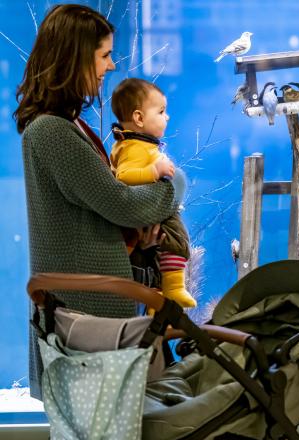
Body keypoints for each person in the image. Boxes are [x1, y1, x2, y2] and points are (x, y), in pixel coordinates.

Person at [14, 4, 180, 399]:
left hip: (89, 315)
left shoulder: (64, 125)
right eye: (103, 55)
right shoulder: (53, 131)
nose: (110, 65)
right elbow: (122, 203)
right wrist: (173, 184)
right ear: (74, 58)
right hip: (85, 320)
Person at [110, 78, 196, 308]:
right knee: (177, 236)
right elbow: (124, 176)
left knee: (160, 254)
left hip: (147, 216)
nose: (167, 117)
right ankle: (174, 288)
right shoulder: (133, 147)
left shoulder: (136, 143)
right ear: (139, 118)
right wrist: (154, 170)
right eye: (161, 111)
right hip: (146, 214)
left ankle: (159, 301)